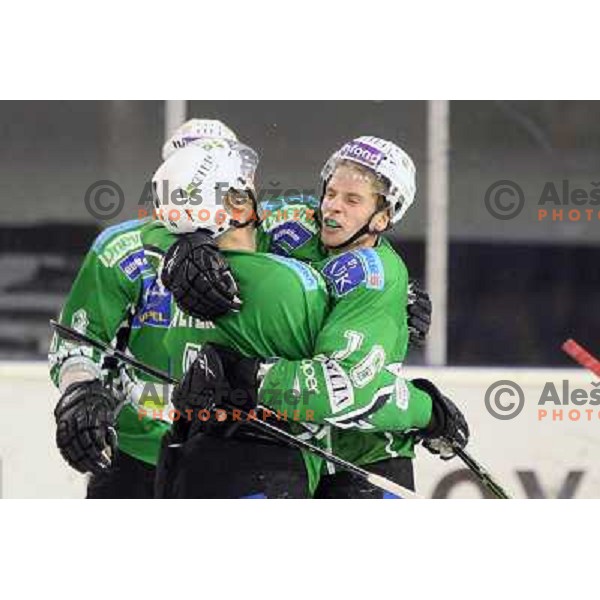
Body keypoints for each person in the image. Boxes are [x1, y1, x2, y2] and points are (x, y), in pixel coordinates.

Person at [158, 136, 468, 498]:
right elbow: (216, 217)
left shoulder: (376, 277)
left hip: (366, 454)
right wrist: (187, 249)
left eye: (352, 200)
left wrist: (426, 411)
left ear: (383, 217)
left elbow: (351, 391)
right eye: (331, 193)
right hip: (293, 447)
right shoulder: (296, 220)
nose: (332, 208)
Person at [48, 119, 257, 498]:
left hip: (233, 450)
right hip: (135, 452)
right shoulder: (124, 248)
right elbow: (78, 341)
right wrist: (82, 391)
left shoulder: (263, 242)